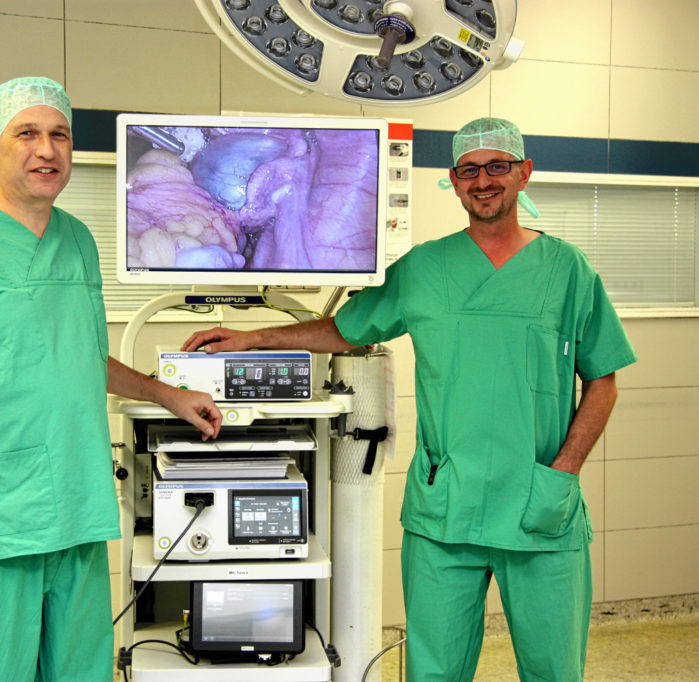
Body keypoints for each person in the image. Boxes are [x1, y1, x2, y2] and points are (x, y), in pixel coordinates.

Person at [181, 117, 637, 681]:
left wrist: (562, 473)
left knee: (554, 670)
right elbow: (346, 330)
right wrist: (254, 337)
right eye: (470, 170)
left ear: (524, 174)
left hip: (538, 507)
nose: (484, 180)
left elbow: (604, 381)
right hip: (446, 506)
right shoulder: (425, 267)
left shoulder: (568, 271)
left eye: (497, 166)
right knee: (434, 672)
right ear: (453, 180)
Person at [0, 76, 222, 681]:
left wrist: (170, 394)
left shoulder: (78, 242)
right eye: (27, 133)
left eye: (59, 134)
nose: (47, 150)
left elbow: (78, 356)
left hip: (75, 517)